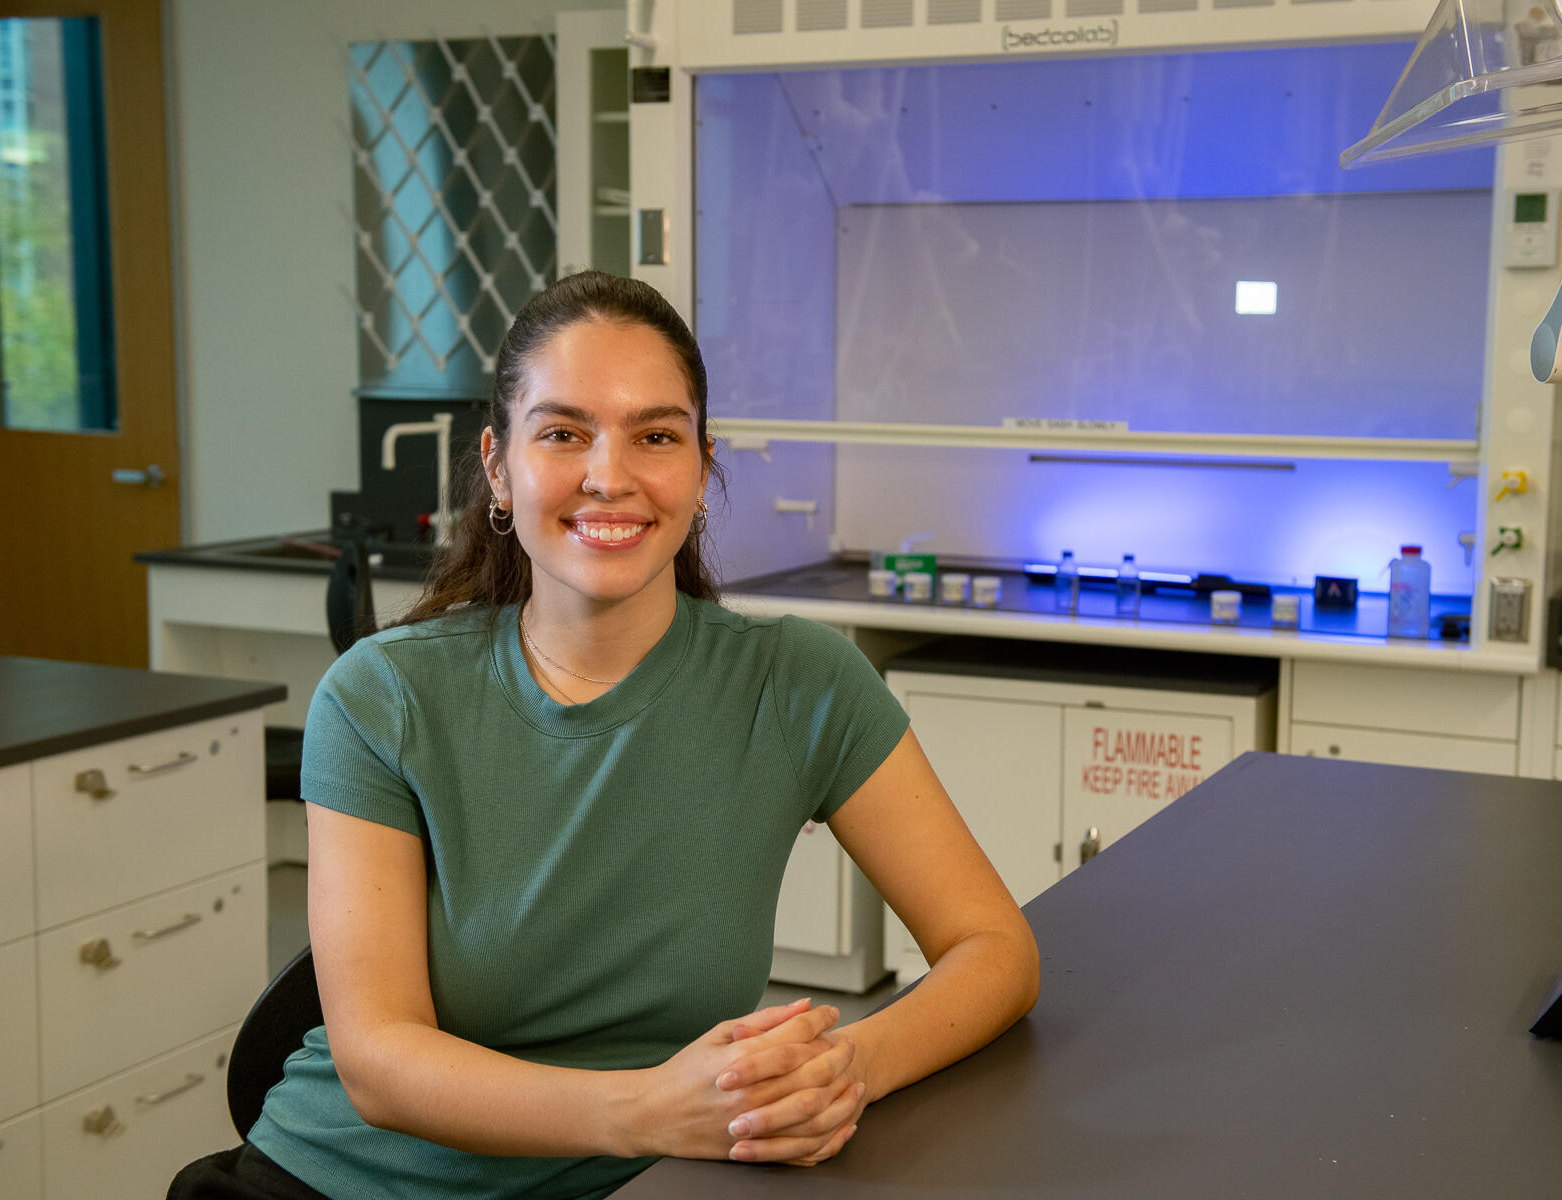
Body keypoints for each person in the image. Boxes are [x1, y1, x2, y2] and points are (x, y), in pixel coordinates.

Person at [170, 270, 1039, 1200]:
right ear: (500, 467)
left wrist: (852, 1065)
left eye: (655, 435)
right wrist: (647, 1110)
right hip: (341, 1185)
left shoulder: (797, 682)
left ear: (703, 468)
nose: (609, 475)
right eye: (563, 432)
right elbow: (379, 1064)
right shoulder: (383, 696)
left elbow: (994, 948)